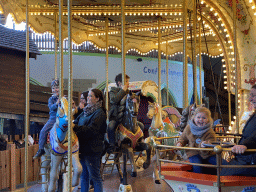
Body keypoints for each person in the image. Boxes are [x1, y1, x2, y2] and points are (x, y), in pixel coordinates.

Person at [73, 89, 107, 192]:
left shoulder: (99, 113)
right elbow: (76, 121)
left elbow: (92, 130)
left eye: (90, 96)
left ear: (97, 99)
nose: (87, 98)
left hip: (92, 149)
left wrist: (75, 127)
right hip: (83, 148)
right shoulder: (86, 111)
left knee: (95, 177)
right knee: (84, 177)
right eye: (87, 96)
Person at [220, 84, 256, 176]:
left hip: (250, 159)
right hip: (245, 156)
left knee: (225, 174)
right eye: (250, 95)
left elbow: (254, 137)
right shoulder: (254, 115)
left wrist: (245, 144)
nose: (250, 99)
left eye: (253, 95)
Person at [176, 107, 217, 173]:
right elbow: (183, 138)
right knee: (197, 165)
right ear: (194, 118)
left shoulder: (210, 132)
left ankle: (218, 179)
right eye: (198, 117)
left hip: (208, 154)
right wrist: (180, 143)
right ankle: (197, 181)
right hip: (193, 152)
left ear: (208, 120)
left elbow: (212, 143)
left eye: (204, 118)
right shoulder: (189, 128)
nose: (201, 120)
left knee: (219, 162)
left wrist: (206, 145)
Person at [33, 79, 59, 159]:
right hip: (53, 118)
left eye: (57, 87)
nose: (55, 90)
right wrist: (57, 103)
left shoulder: (64, 98)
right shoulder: (51, 99)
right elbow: (51, 107)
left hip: (62, 118)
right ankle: (41, 149)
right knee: (43, 131)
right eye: (53, 88)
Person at [107, 73, 130, 152]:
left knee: (140, 125)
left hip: (126, 117)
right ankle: (112, 144)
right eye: (126, 81)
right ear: (120, 83)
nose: (128, 83)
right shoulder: (113, 91)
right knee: (111, 126)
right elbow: (114, 100)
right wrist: (122, 90)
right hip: (116, 116)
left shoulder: (128, 93)